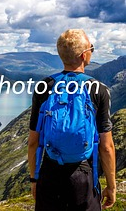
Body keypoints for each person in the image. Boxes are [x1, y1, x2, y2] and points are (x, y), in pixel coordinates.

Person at [28, 29, 116, 211]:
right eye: (92, 48)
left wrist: (34, 179)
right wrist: (111, 186)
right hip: (83, 176)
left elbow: (33, 142)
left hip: (50, 173)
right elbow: (106, 146)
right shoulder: (98, 90)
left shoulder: (44, 86)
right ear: (84, 55)